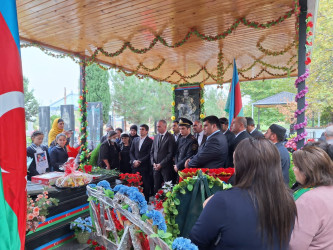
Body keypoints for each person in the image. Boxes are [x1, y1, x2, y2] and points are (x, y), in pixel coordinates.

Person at [190, 138, 297, 249]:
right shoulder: (288, 199)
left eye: (235, 162)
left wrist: (209, 207)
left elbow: (196, 242)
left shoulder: (223, 202)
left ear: (241, 166)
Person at [289, 146, 333, 249]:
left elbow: (296, 245)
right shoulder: (328, 189)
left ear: (306, 171)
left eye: (296, 166)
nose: (293, 169)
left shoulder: (309, 199)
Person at [150, 120, 176, 193]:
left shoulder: (170, 137)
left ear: (165, 127)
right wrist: (153, 163)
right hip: (155, 167)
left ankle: (167, 203)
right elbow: (152, 152)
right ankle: (156, 202)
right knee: (156, 186)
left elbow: (170, 154)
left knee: (167, 187)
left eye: (159, 126)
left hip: (166, 167)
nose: (157, 128)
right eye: (157, 126)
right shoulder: (156, 136)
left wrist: (161, 164)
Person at [130, 124, 153, 201]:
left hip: (144, 166)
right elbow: (131, 152)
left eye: (142, 129)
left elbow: (149, 154)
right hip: (135, 166)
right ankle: (135, 200)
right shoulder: (135, 140)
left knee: (145, 185)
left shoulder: (150, 141)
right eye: (140, 129)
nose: (140, 131)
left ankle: (145, 201)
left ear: (146, 131)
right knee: (135, 184)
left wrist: (139, 161)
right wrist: (134, 161)